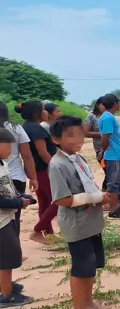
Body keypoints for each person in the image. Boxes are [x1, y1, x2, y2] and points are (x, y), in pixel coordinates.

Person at [48, 116, 111, 309]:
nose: (78, 140)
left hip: (91, 221)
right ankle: (80, 305)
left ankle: (87, 301)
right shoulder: (57, 164)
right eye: (70, 136)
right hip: (77, 224)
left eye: (80, 135)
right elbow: (61, 199)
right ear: (56, 139)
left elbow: (88, 185)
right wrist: (95, 198)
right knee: (81, 266)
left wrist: (99, 196)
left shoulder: (79, 158)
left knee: (90, 266)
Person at [0, 128, 34, 307]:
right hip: (1, 221)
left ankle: (5, 285)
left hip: (8, 217)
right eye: (8, 147)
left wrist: (21, 197)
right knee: (7, 258)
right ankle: (6, 295)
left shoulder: (3, 164)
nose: (11, 151)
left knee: (9, 255)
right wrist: (18, 203)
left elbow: (8, 189)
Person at [17, 101, 58, 244]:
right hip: (42, 169)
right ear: (37, 113)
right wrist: (57, 167)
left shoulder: (27, 127)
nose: (47, 112)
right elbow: (43, 153)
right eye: (44, 110)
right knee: (59, 200)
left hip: (34, 169)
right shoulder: (36, 129)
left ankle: (48, 233)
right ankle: (36, 230)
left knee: (45, 201)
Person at [0, 102, 38, 237]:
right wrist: (33, 177)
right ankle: (14, 251)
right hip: (15, 177)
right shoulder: (16, 129)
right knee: (14, 217)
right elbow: (27, 156)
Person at [98, 94, 120, 219]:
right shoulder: (108, 118)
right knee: (114, 183)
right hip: (113, 155)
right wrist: (102, 151)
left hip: (118, 155)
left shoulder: (109, 117)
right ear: (115, 103)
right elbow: (106, 137)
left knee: (118, 180)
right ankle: (113, 209)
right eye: (118, 102)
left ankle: (115, 205)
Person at [84, 97, 107, 191]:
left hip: (113, 149)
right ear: (98, 105)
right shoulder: (92, 116)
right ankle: (106, 195)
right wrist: (104, 134)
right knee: (109, 173)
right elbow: (85, 132)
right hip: (100, 150)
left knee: (117, 174)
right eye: (104, 104)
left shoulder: (109, 115)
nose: (106, 107)